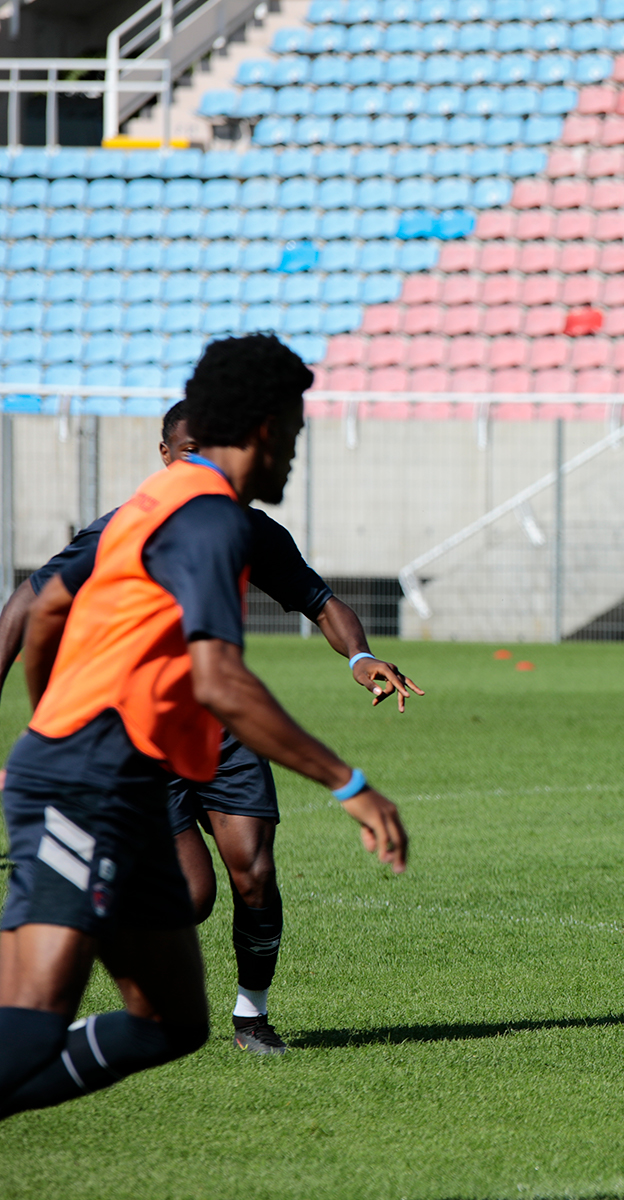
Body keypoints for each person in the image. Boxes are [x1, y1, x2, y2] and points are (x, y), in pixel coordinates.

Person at [0, 334, 408, 1120]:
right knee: (27, 1030)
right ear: (263, 427)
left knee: (173, 1022)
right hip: (87, 782)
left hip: (113, 772)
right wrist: (347, 783)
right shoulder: (209, 519)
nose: (296, 448)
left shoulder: (162, 504)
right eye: (293, 427)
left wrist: (51, 710)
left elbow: (45, 605)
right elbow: (219, 677)